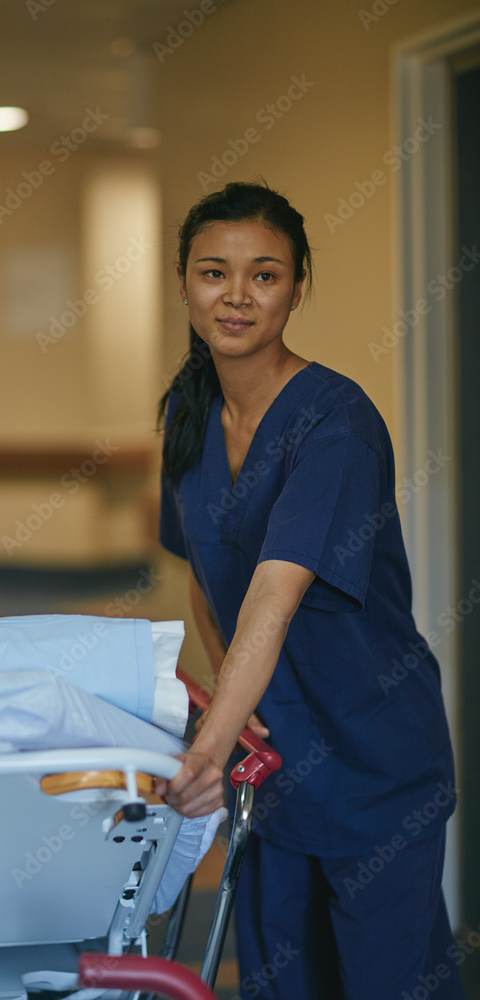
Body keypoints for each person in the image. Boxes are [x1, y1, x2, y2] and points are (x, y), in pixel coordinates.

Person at [154, 181, 462, 1000]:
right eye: (214, 272)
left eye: (265, 274)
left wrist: (208, 745)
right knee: (278, 980)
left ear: (296, 288)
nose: (237, 295)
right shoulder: (187, 411)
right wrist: (229, 700)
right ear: (182, 283)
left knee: (384, 983)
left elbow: (271, 593)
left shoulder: (335, 423)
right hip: (275, 759)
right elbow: (202, 567)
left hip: (370, 751)